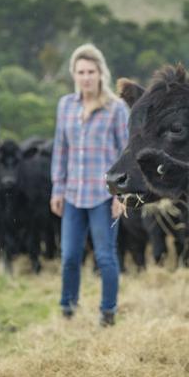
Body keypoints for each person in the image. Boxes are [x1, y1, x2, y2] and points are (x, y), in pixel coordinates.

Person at [50, 43, 128, 327]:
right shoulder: (65, 106)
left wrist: (121, 195)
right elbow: (61, 150)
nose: (86, 77)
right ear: (74, 74)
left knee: (105, 257)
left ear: (100, 74)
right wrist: (57, 189)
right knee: (69, 255)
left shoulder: (116, 109)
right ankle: (68, 309)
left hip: (103, 197)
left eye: (91, 72)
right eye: (80, 72)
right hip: (72, 195)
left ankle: (108, 312)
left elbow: (125, 154)